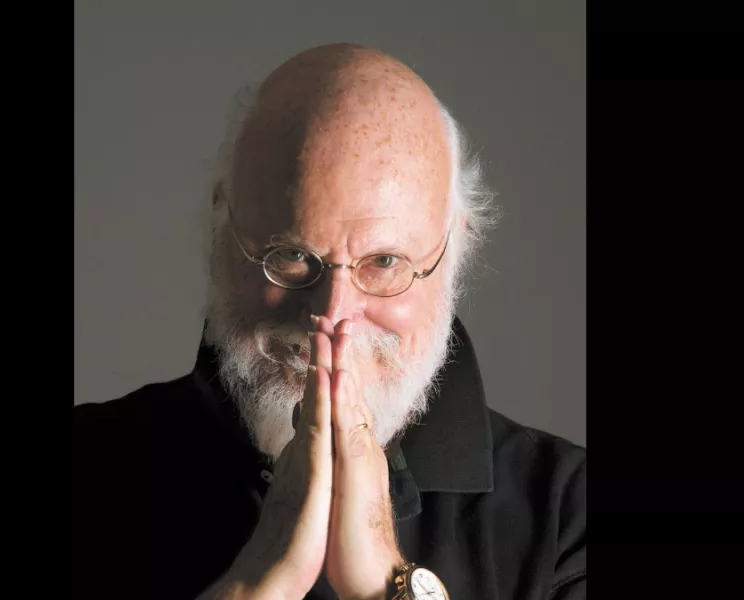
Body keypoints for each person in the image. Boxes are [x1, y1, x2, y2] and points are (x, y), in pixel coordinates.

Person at [73, 43, 586, 600]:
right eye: (291, 256)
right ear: (220, 231)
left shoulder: (570, 513)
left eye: (384, 262)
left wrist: (385, 579)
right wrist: (253, 586)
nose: (332, 314)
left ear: (455, 250)